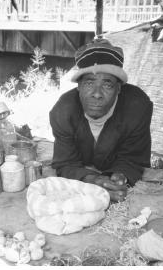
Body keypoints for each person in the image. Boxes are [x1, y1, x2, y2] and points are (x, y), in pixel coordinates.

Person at [49, 38, 153, 202]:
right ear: (79, 87)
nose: (97, 94)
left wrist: (119, 177)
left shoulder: (137, 107)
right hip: (85, 171)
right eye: (89, 83)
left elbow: (133, 158)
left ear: (119, 88)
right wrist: (92, 180)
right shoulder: (63, 111)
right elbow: (66, 163)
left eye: (107, 84)